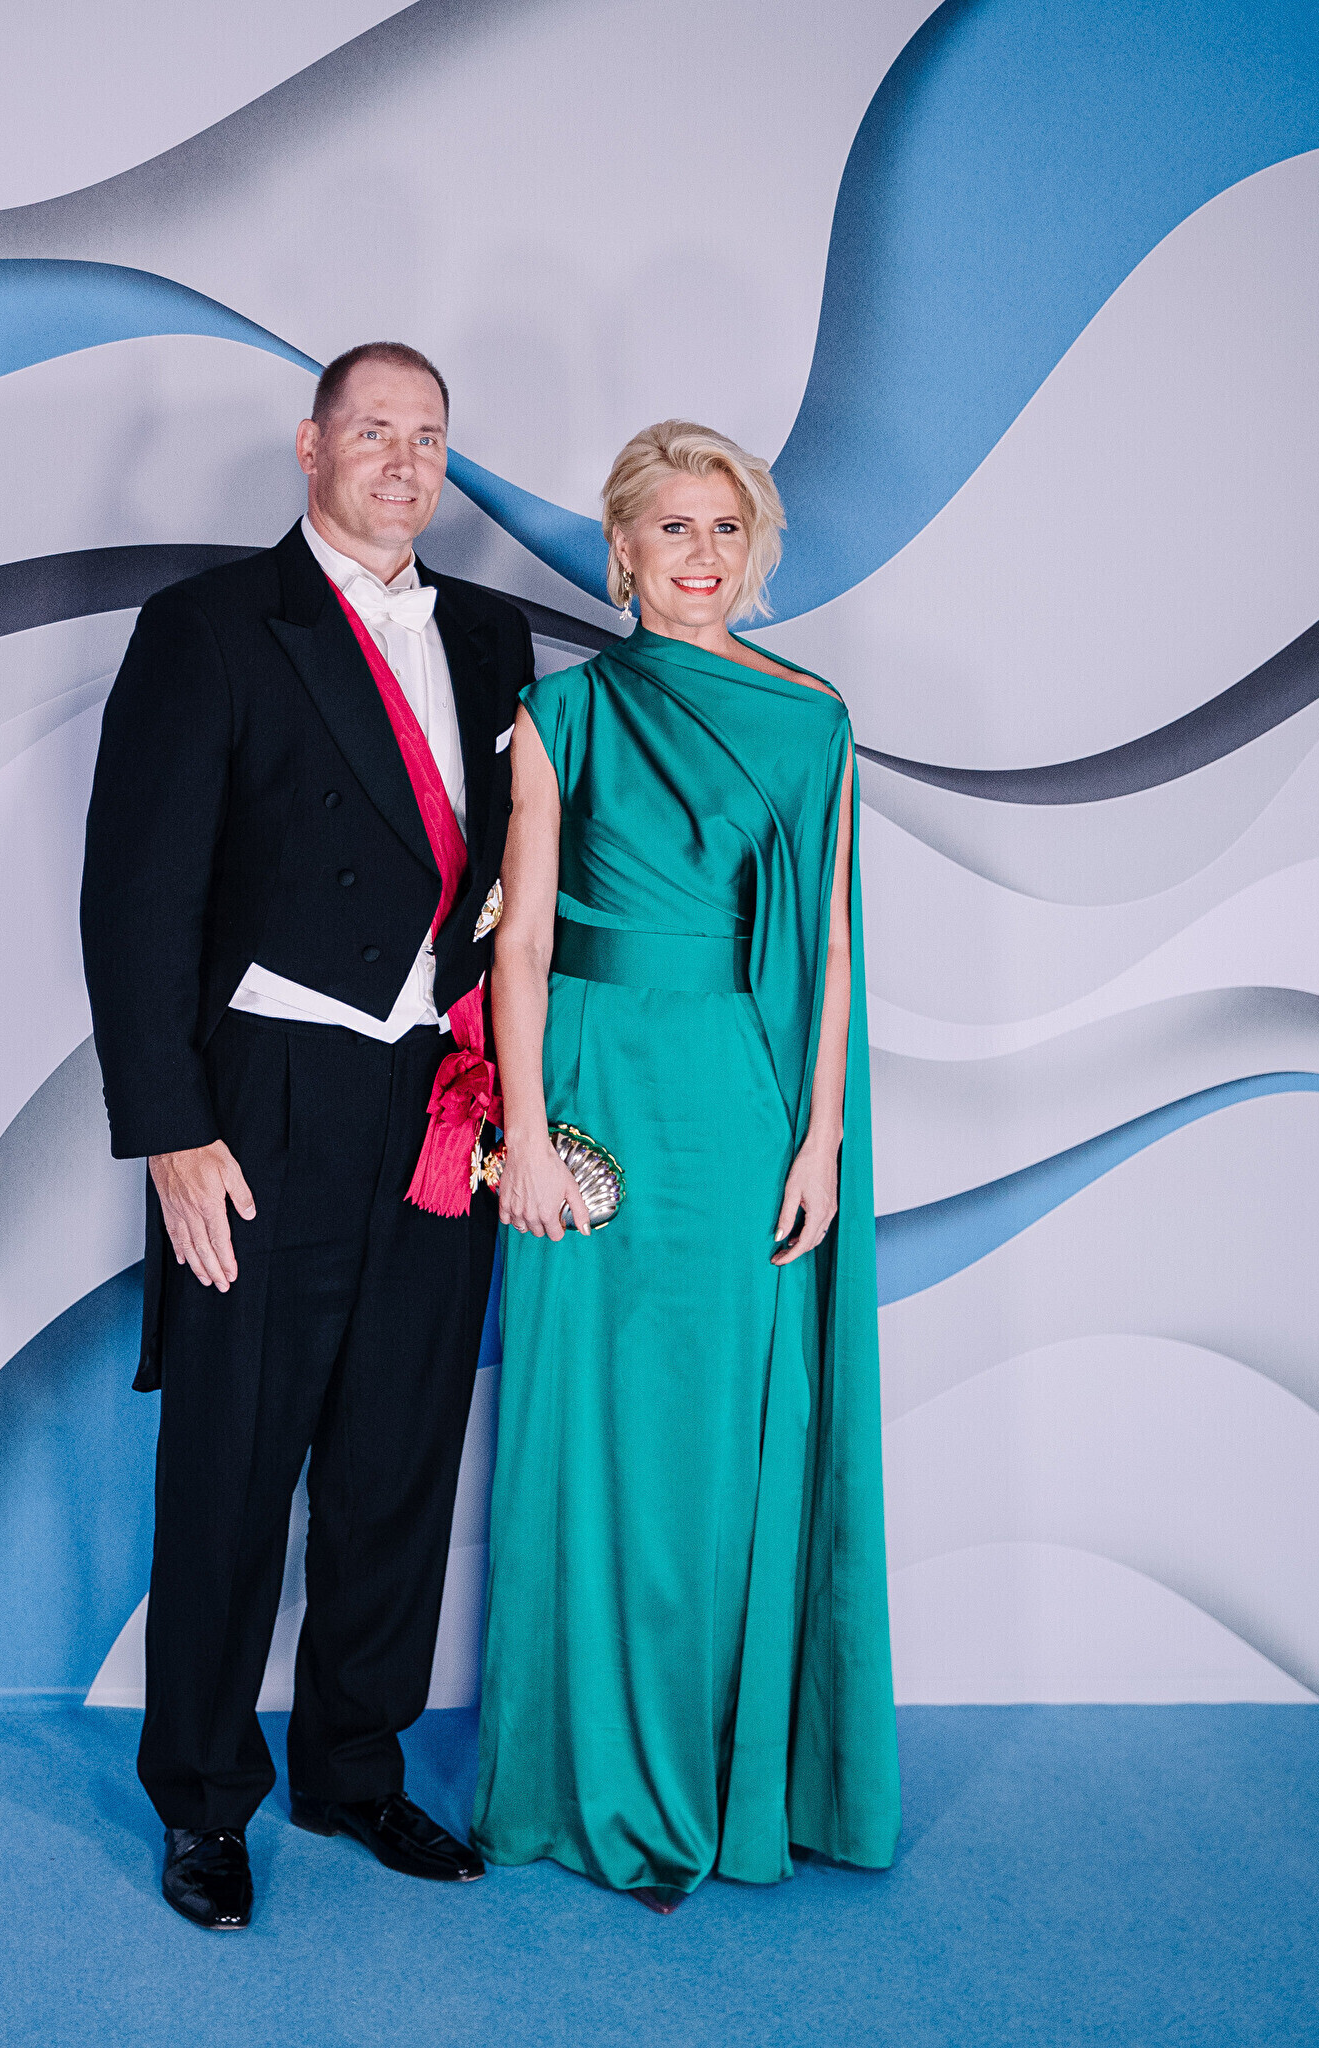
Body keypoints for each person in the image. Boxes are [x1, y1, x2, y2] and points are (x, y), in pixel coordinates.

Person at [80, 342, 535, 1930]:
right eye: (374, 431)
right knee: (233, 1461)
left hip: (438, 1099)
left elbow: (514, 883)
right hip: (264, 1101)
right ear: (310, 445)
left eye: (430, 437)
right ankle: (204, 1797)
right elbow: (135, 898)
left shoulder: (492, 635)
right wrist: (171, 1131)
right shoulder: (209, 625)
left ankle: (354, 1764)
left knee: (400, 1454)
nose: (405, 462)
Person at [473, 419, 899, 1909]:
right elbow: (521, 944)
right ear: (622, 549)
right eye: (673, 528)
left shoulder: (812, 721)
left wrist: (822, 1138)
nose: (700, 556)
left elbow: (830, 952)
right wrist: (524, 1132)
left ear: (755, 548)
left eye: (726, 529)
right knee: (583, 1423)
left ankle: (716, 1775)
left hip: (733, 1102)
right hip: (588, 1092)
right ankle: (576, 1777)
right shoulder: (563, 712)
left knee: (712, 1433)